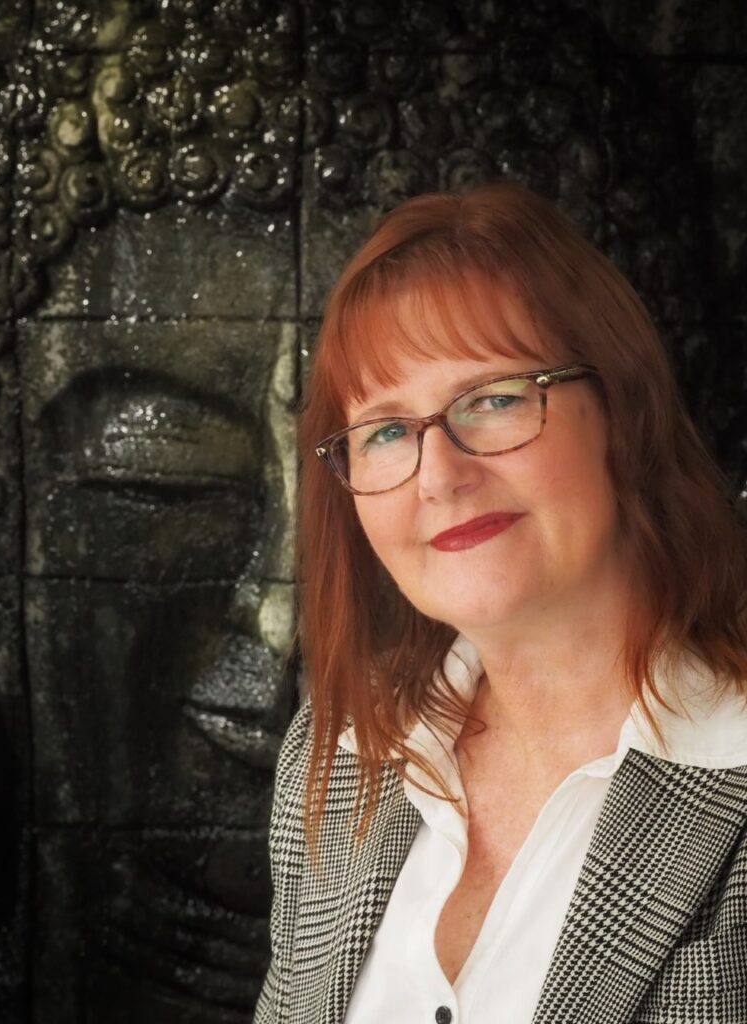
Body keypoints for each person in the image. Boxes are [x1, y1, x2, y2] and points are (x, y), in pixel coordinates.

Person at [255, 182, 747, 1024]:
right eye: (385, 431)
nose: (441, 476)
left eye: (493, 399)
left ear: (623, 412)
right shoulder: (339, 752)